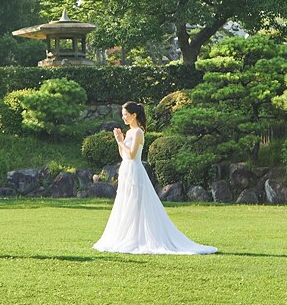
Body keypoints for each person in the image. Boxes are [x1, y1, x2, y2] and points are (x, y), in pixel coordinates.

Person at [93, 101, 217, 255]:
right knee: (126, 202)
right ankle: (129, 235)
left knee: (137, 203)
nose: (123, 117)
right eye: (123, 115)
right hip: (126, 169)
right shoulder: (130, 132)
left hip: (134, 170)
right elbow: (124, 155)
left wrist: (120, 141)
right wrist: (120, 141)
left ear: (134, 115)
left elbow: (132, 155)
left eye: (125, 114)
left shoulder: (138, 132)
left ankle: (140, 237)